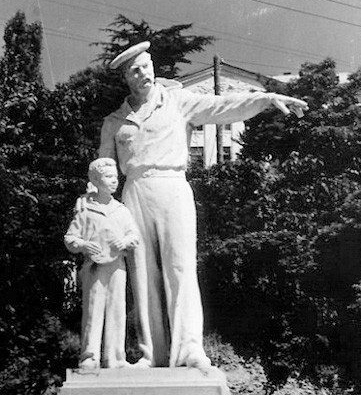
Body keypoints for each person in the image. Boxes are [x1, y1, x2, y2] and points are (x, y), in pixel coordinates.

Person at [99, 41, 308, 370]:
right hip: (134, 191)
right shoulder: (115, 121)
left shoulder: (178, 101)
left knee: (181, 268)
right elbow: (103, 169)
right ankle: (152, 353)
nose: (143, 74)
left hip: (173, 185)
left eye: (146, 66)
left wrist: (266, 99)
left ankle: (189, 349)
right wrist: (98, 211)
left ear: (153, 67)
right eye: (134, 71)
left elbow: (223, 106)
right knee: (142, 275)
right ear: (126, 78)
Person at [64, 158, 140, 371]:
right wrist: (84, 245)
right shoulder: (85, 210)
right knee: (93, 310)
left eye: (115, 177)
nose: (114, 181)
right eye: (108, 177)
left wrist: (125, 241)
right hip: (94, 267)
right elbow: (70, 238)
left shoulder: (121, 210)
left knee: (117, 310)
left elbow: (134, 235)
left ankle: (116, 357)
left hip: (117, 266)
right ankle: (90, 356)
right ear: (96, 181)